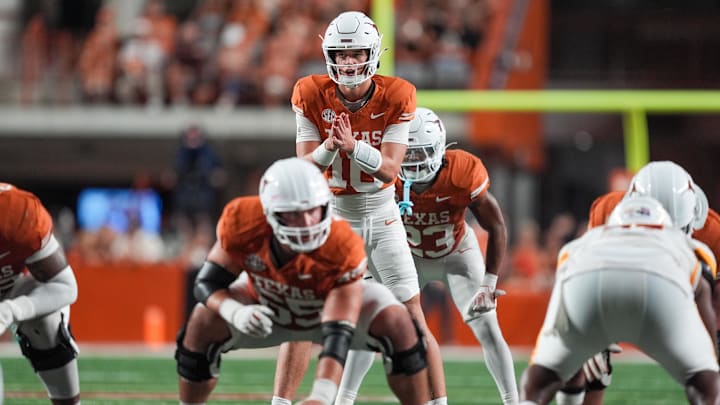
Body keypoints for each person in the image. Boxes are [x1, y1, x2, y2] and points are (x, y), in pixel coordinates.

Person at [278, 10, 447, 405]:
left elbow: (390, 170)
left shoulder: (398, 93)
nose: (349, 62)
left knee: (412, 320)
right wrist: (329, 148)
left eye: (356, 54)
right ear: (330, 56)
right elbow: (301, 169)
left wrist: (353, 147)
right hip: (334, 219)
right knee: (303, 319)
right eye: (341, 54)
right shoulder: (310, 92)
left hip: (382, 217)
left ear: (372, 54)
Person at [175, 158, 431, 405]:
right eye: (294, 214)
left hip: (325, 311)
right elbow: (207, 283)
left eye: (312, 210)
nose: (307, 223)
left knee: (400, 323)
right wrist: (236, 312)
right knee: (201, 320)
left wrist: (321, 396)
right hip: (266, 305)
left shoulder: (343, 243)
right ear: (269, 212)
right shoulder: (243, 221)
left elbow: (338, 332)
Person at [520, 195, 720, 405]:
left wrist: (584, 344)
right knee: (705, 381)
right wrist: (708, 361)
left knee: (542, 378)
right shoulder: (690, 243)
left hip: (585, 283)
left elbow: (564, 279)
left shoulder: (587, 238)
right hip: (662, 289)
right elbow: (703, 293)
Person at [390, 107, 518, 404]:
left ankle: (513, 401)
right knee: (381, 323)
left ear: (438, 148)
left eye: (419, 152)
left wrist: (489, 281)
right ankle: (343, 398)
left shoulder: (462, 172)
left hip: (457, 255)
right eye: (406, 153)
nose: (411, 161)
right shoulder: (385, 174)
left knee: (487, 325)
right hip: (409, 259)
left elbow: (496, 225)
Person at [0, 183, 81, 404]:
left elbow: (64, 286)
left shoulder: (16, 212)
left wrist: (10, 310)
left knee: (45, 323)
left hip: (15, 287)